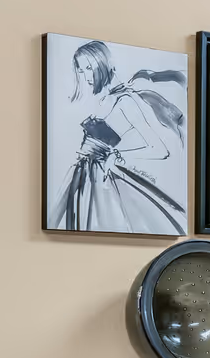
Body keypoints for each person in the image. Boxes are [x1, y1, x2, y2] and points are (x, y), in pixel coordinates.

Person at [50, 40, 186, 233]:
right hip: (81, 173)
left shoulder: (126, 101)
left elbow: (159, 149)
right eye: (81, 70)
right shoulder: (104, 99)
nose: (86, 75)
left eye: (89, 67)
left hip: (100, 176)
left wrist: (118, 155)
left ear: (103, 63)